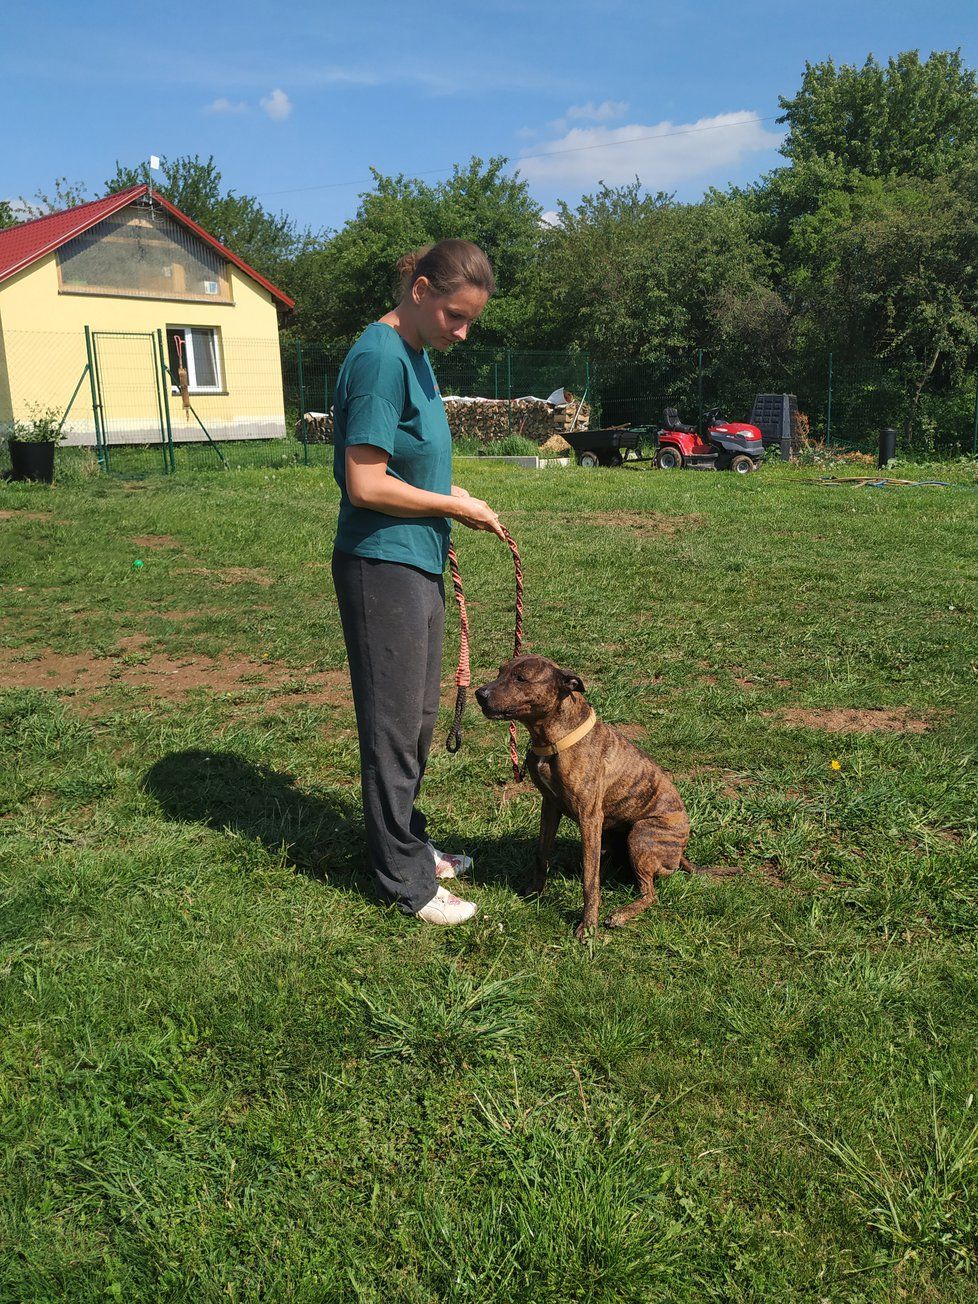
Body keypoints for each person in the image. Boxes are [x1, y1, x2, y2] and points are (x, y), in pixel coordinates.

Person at [331, 240, 506, 927]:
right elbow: (366, 482)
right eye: (455, 316)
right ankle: (405, 882)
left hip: (416, 557)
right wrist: (455, 507)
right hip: (382, 565)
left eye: (470, 322)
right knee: (393, 728)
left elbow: (405, 466)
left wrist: (444, 489)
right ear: (422, 287)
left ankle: (410, 840)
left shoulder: (418, 355)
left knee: (417, 722)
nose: (460, 332)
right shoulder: (379, 358)